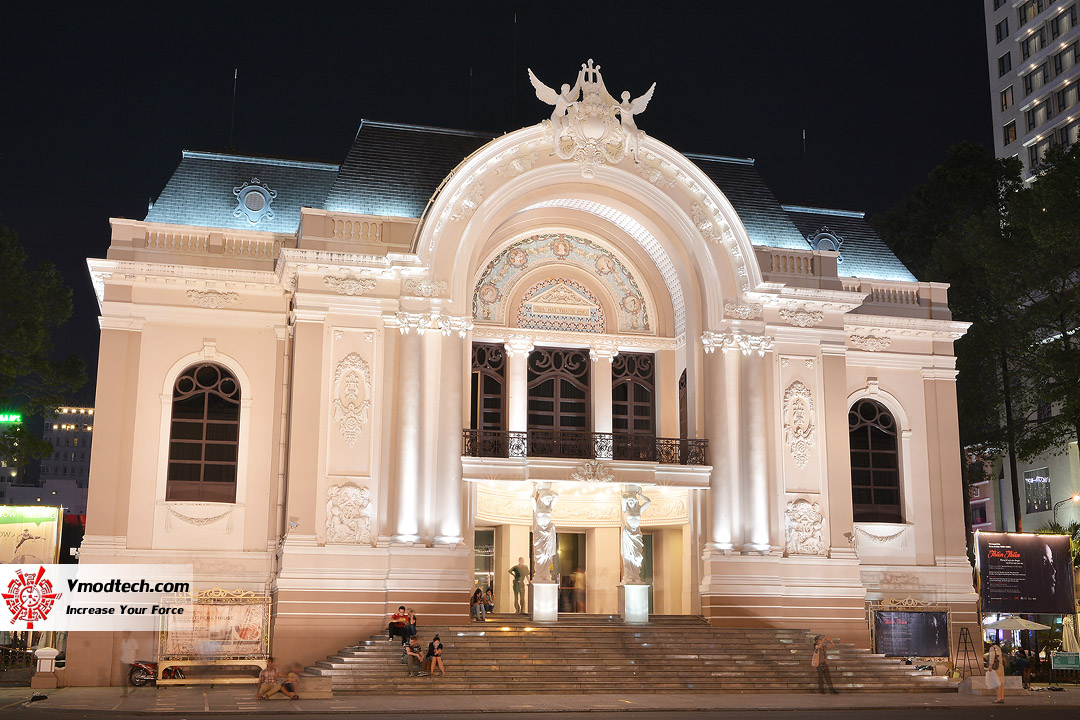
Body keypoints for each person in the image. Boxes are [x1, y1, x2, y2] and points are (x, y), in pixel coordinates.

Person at [986, 638, 1005, 703]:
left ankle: (998, 698)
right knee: (1001, 683)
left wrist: (990, 665)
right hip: (1000, 666)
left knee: (997, 683)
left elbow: (992, 657)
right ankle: (1002, 697)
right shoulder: (998, 648)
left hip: (995, 667)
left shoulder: (992, 649)